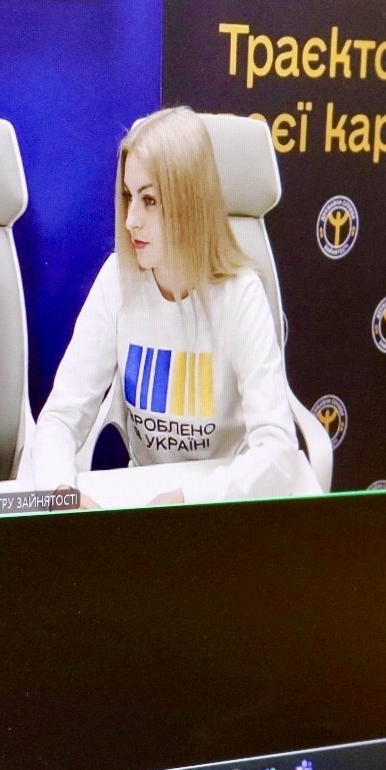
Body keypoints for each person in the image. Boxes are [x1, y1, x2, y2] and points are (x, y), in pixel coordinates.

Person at [30, 107, 312, 505]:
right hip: (145, 501)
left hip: (222, 504)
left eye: (149, 200)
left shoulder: (241, 293)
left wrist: (188, 499)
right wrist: (63, 495)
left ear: (189, 203)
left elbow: (277, 450)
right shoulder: (117, 279)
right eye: (128, 197)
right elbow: (61, 417)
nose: (131, 220)